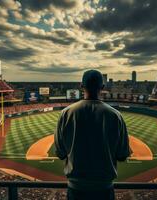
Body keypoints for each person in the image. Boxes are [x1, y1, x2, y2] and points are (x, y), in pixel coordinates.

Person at [55, 69, 131, 200]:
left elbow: (60, 153)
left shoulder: (66, 113)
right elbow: (122, 155)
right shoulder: (115, 115)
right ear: (102, 87)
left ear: (81, 86)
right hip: (104, 189)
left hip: (75, 189)